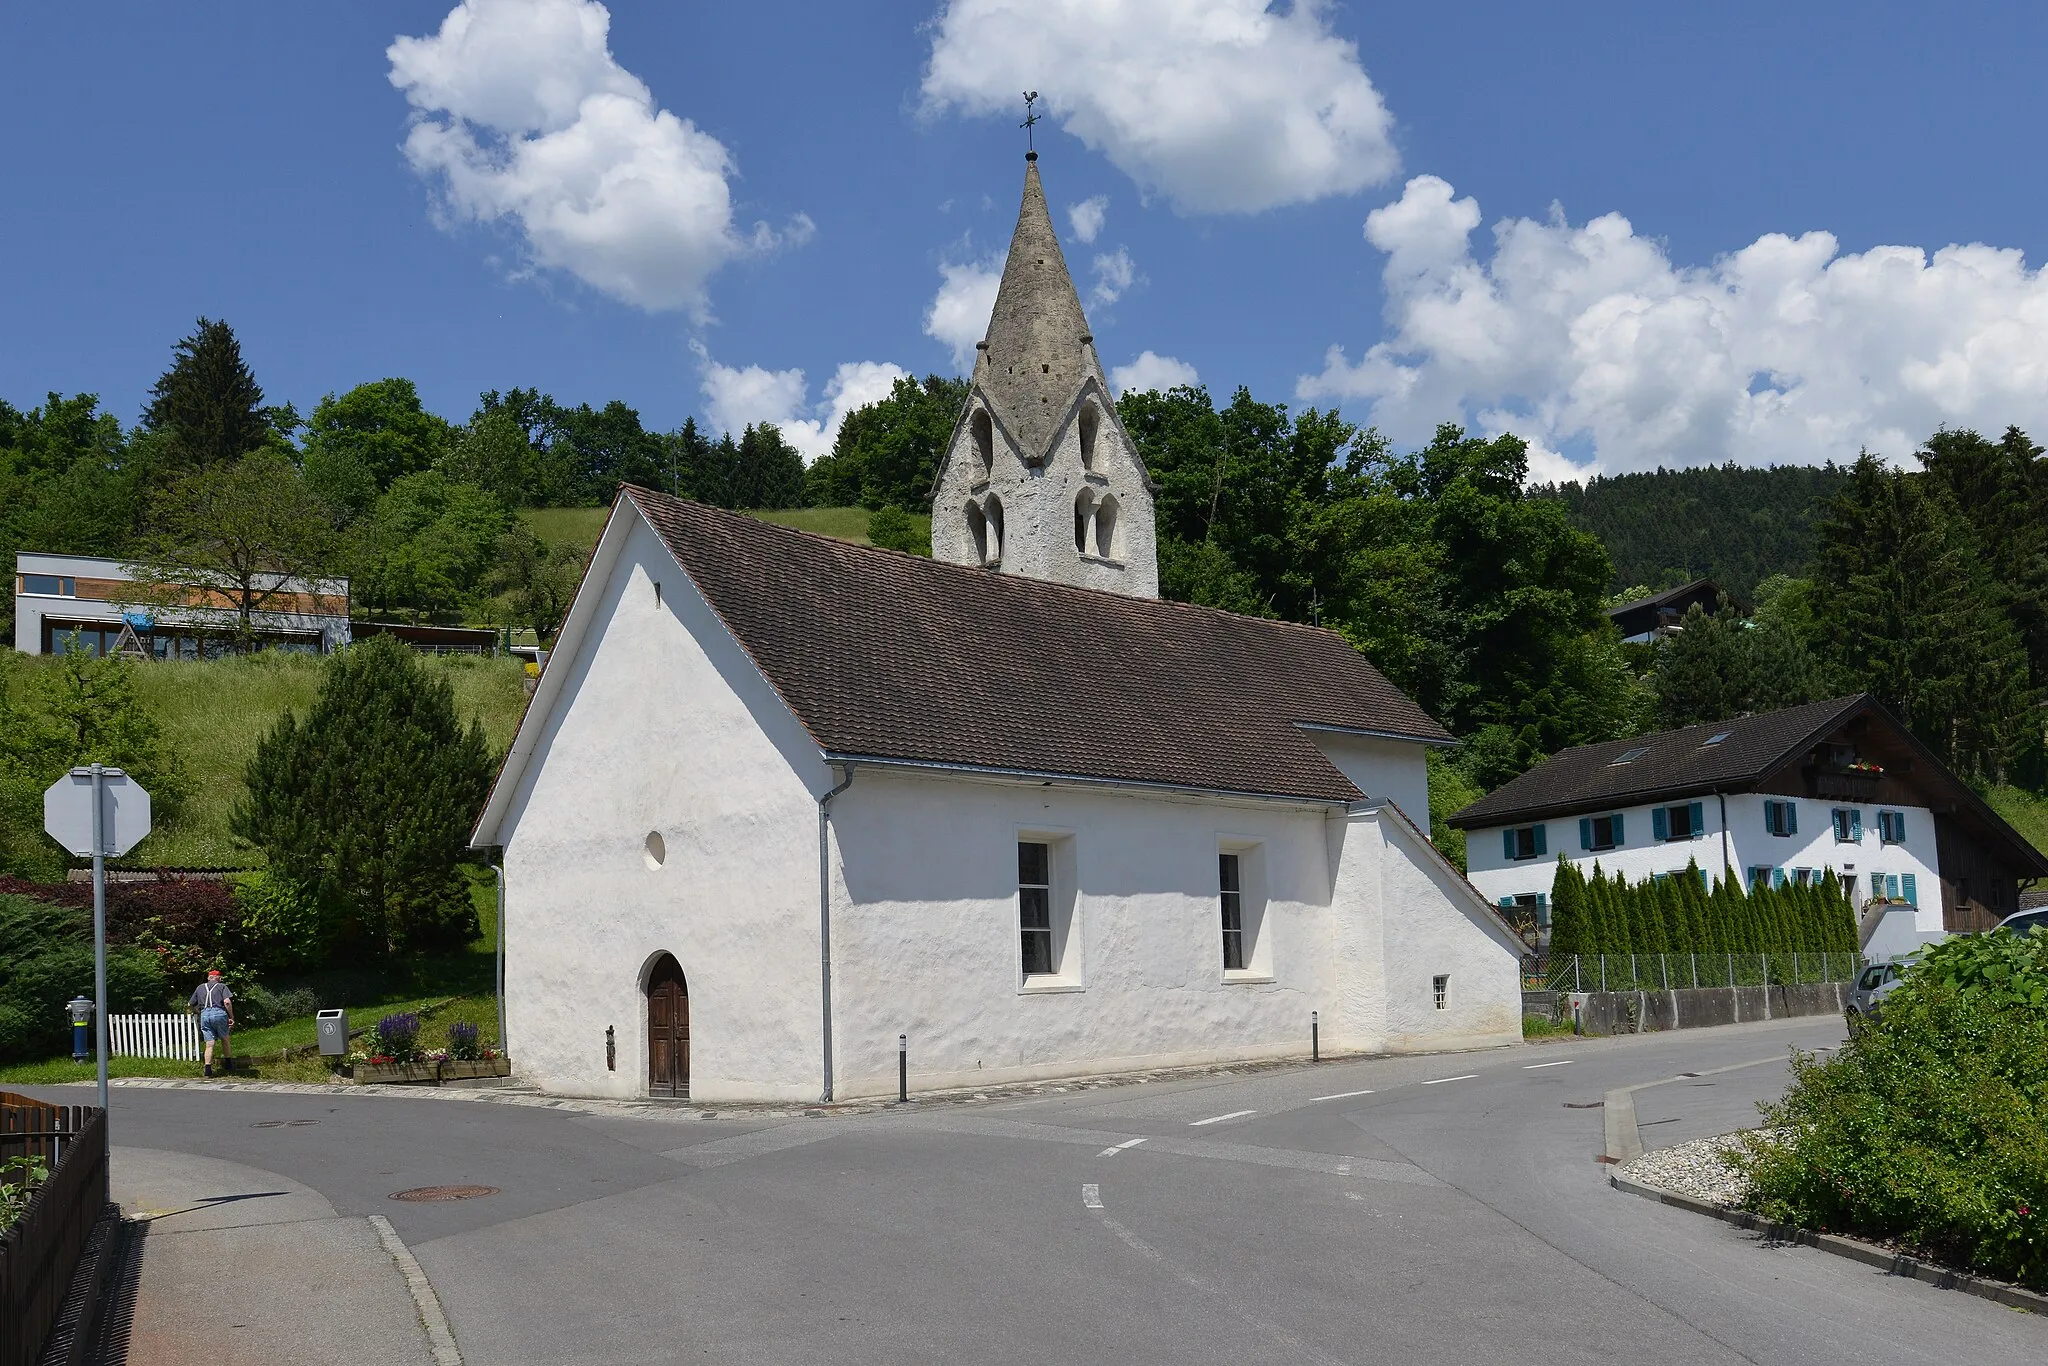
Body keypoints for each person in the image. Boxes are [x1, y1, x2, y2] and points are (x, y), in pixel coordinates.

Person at [189, 968, 235, 1077]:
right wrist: (231, 1016)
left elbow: (190, 1004)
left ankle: (208, 1070)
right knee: (225, 1038)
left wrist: (194, 1012)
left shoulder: (200, 988)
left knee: (209, 1043)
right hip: (219, 1013)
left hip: (205, 1014)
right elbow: (227, 1002)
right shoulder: (222, 986)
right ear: (218, 978)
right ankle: (228, 1064)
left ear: (209, 978)